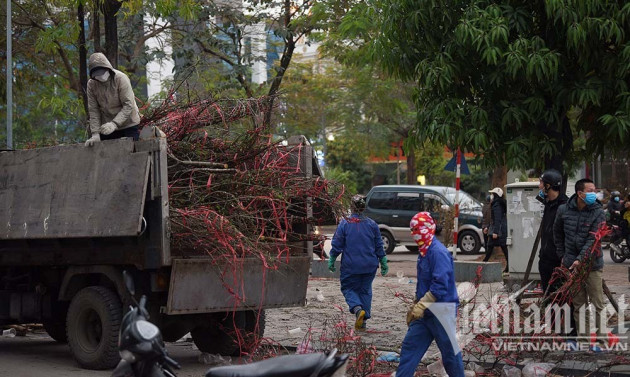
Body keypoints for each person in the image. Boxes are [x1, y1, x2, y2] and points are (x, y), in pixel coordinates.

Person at [397, 212, 464, 377]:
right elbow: (424, 283)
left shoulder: (437, 253)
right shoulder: (424, 251)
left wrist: (421, 305)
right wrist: (416, 305)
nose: (414, 234)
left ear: (426, 230)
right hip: (425, 312)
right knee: (410, 349)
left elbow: (440, 285)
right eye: (412, 230)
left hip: (442, 311)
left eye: (416, 230)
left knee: (450, 354)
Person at [553, 178, 606, 351]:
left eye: (594, 190)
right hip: (571, 264)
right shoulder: (564, 210)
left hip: (592, 265)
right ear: (580, 193)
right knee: (579, 304)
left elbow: (594, 240)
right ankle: (584, 341)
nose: (594, 193)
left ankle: (601, 341)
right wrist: (564, 255)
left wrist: (580, 259)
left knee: (598, 303)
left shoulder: (598, 212)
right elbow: (557, 233)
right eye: (590, 190)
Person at [328, 194, 387, 331]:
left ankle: (357, 309)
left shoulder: (345, 223)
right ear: (363, 207)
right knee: (365, 291)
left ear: (352, 207)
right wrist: (383, 261)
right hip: (369, 266)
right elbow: (379, 245)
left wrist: (332, 259)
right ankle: (363, 321)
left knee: (348, 288)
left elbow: (337, 244)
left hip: (351, 266)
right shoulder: (372, 224)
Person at [85, 52, 141, 147]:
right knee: (107, 156)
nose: (100, 76)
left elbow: (128, 105)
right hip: (106, 127)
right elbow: (94, 110)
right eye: (97, 74)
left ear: (108, 69)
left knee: (129, 154)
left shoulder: (120, 78)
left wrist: (114, 124)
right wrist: (95, 133)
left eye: (102, 72)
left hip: (128, 124)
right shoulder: (91, 84)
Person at [537, 169, 568, 295]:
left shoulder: (565, 206)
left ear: (548, 186)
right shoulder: (548, 204)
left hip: (558, 262)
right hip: (545, 260)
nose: (539, 186)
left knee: (561, 299)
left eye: (541, 183)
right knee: (548, 297)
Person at [482, 187, 509, 274]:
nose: (491, 196)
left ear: (496, 195)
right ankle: (508, 267)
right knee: (499, 248)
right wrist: (488, 227)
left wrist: (495, 232)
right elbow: (493, 219)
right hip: (499, 230)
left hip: (498, 231)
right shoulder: (497, 204)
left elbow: (497, 219)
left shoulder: (497, 205)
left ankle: (482, 264)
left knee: (493, 247)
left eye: (493, 194)